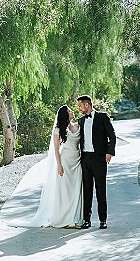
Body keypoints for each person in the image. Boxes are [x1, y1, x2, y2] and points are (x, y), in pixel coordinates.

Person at [12, 105, 83, 228]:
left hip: (77, 161)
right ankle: (63, 219)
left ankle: (75, 218)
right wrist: (59, 165)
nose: (72, 111)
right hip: (65, 161)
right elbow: (56, 149)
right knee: (64, 191)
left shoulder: (78, 126)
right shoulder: (58, 129)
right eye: (69, 111)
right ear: (65, 115)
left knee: (76, 189)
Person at [77, 94, 116, 229]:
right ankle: (86, 220)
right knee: (86, 191)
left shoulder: (102, 117)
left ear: (87, 105)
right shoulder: (81, 121)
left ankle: (103, 220)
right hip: (85, 159)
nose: (79, 108)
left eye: (80, 105)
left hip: (99, 159)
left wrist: (109, 153)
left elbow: (112, 135)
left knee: (101, 190)